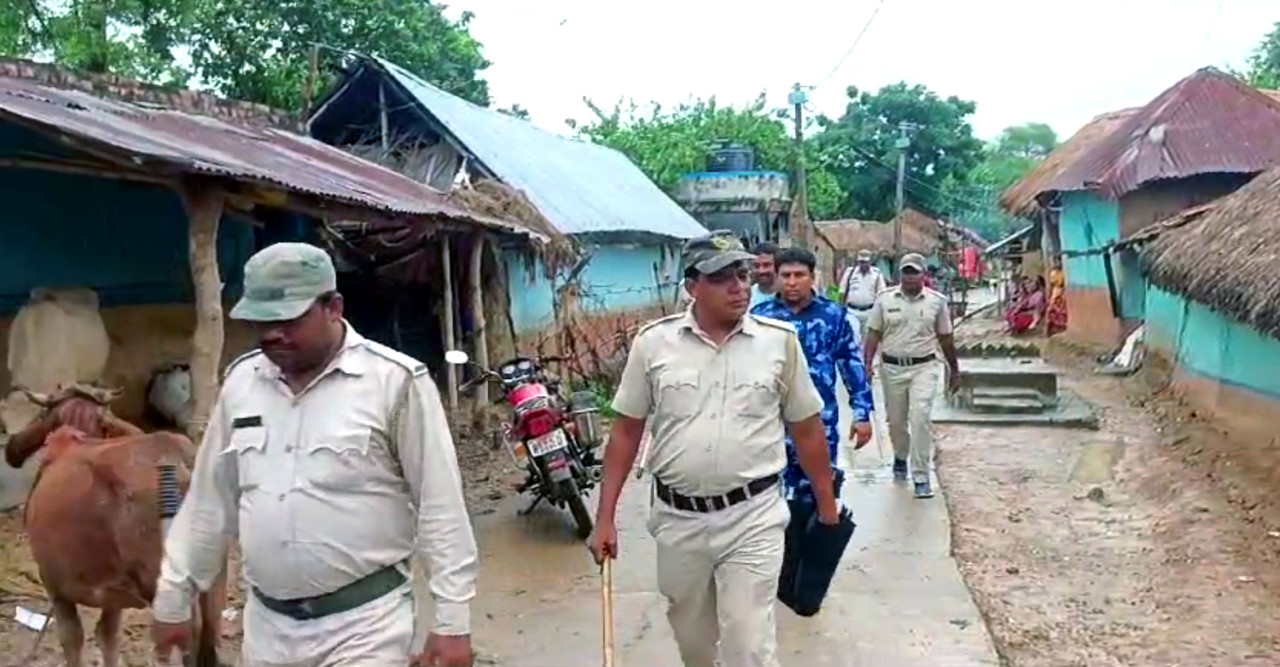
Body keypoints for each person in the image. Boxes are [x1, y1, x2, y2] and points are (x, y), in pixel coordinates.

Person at [152, 243, 478, 667]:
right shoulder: (241, 384)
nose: (273, 334)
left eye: (288, 320)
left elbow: (441, 507)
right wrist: (174, 596)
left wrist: (452, 622)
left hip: (365, 628)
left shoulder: (394, 383)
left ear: (333, 307)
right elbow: (209, 502)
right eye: (261, 322)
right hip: (268, 630)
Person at [589, 230, 839, 667]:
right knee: (695, 643)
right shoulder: (653, 344)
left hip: (753, 516)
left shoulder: (778, 342)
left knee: (748, 645)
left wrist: (827, 506)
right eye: (722, 277)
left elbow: (807, 429)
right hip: (677, 520)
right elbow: (626, 432)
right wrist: (605, 517)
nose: (739, 286)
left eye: (742, 274)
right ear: (692, 287)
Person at [752, 247, 874, 499]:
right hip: (772, 425)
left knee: (820, 495)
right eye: (786, 276)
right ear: (777, 277)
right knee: (771, 499)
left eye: (799, 275)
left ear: (812, 277)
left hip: (820, 423)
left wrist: (862, 414)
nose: (792, 282)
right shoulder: (760, 319)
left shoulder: (833, 316)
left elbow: (851, 364)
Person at [863, 252, 960, 500]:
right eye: (905, 272)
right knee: (896, 421)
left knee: (920, 418)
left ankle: (920, 476)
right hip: (892, 368)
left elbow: (946, 338)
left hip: (924, 367)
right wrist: (866, 365)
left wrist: (954, 370)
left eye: (914, 272)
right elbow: (873, 334)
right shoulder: (884, 300)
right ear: (900, 275)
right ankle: (900, 456)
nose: (909, 276)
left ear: (923, 275)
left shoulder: (937, 302)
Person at [837, 249, 887, 338]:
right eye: (861, 262)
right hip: (852, 311)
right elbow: (842, 291)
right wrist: (841, 310)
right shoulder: (850, 272)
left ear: (870, 262)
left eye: (865, 262)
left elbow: (882, 294)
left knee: (867, 339)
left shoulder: (877, 274)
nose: (863, 265)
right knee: (852, 338)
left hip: (869, 312)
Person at [749, 241, 780, 308]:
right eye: (756, 266)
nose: (761, 271)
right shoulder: (747, 296)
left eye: (766, 265)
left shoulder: (789, 295)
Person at [1047, 259, 1068, 336]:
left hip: (1060, 290)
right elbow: (1053, 283)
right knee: (1052, 308)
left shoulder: (1062, 273)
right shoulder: (1054, 273)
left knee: (1060, 308)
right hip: (1057, 290)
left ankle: (1061, 326)